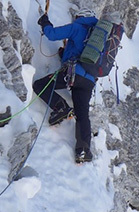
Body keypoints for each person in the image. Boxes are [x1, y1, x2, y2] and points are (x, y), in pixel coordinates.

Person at [33, 10, 98, 164]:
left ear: (80, 17)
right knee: (82, 115)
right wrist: (65, 55)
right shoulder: (95, 37)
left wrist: (45, 23)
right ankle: (83, 151)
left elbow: (52, 34)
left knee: (40, 85)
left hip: (73, 74)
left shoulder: (77, 27)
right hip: (88, 81)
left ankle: (60, 108)